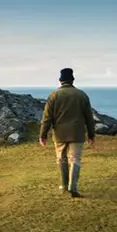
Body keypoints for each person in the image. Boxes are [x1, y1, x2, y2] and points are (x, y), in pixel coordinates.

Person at [39, 68, 96, 198]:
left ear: (60, 80)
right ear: (72, 80)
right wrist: (91, 135)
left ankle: (64, 185)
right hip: (77, 133)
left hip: (59, 133)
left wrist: (43, 135)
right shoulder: (82, 95)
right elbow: (89, 118)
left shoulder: (53, 95)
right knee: (75, 159)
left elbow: (47, 118)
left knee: (61, 158)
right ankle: (73, 187)